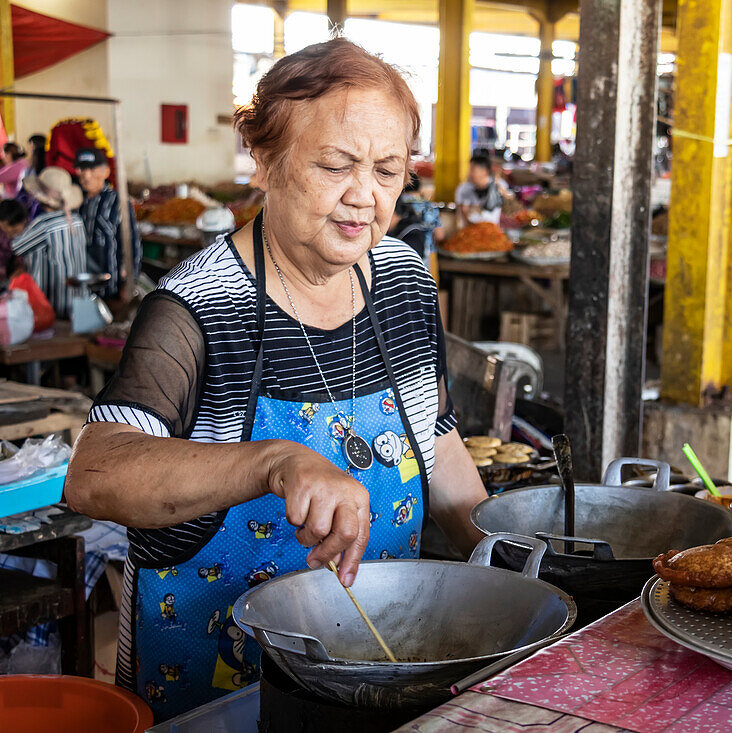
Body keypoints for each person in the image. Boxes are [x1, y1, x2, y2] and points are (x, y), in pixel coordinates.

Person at [64, 39, 487, 722]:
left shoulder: (406, 281)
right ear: (265, 162)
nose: (365, 197)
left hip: (379, 668)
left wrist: (520, 574)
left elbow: (435, 444)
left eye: (388, 170)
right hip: (221, 689)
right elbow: (95, 473)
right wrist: (275, 460)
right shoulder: (199, 307)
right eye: (335, 165)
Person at [11, 166, 86, 317]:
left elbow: (17, 247)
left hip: (50, 304)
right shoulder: (77, 220)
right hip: (77, 302)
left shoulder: (43, 224)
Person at [74, 147, 142, 299]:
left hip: (112, 290)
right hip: (83, 289)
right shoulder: (77, 204)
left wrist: (129, 283)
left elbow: (132, 244)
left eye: (92, 170)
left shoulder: (117, 202)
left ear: (105, 172)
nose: (86, 176)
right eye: (82, 170)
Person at [455, 153, 507, 226]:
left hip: (492, 230)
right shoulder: (463, 188)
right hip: (471, 230)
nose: (469, 174)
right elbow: (462, 212)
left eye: (472, 170)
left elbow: (506, 205)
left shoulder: (499, 185)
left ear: (484, 171)